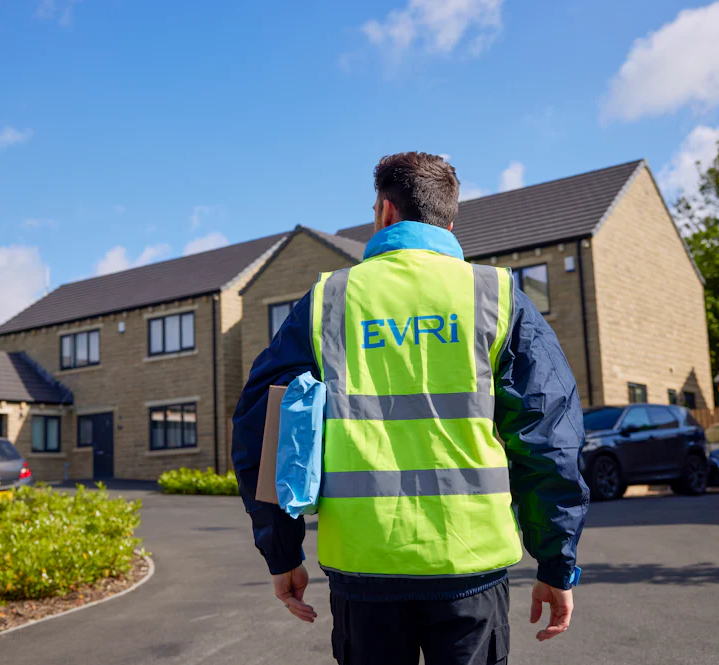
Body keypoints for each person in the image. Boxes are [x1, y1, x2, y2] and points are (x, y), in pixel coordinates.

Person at [231, 152, 589, 665]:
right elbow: (550, 437)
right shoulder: (497, 296)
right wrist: (556, 562)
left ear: (384, 211)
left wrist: (282, 552)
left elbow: (263, 428)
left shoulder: (328, 300)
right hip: (470, 567)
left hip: (363, 570)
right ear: (450, 218)